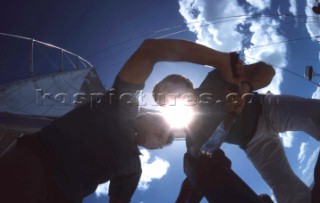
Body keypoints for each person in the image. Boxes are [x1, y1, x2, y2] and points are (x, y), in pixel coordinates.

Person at [0, 39, 241, 203]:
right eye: (161, 125)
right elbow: (150, 51)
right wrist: (220, 60)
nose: (163, 135)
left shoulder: (133, 168)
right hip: (33, 164)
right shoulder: (120, 104)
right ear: (144, 114)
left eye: (163, 141)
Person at [153, 45, 320, 203]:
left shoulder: (215, 78)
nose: (170, 98)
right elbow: (193, 171)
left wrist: (245, 89)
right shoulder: (193, 134)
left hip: (267, 107)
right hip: (253, 143)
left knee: (315, 114)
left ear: (186, 83)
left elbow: (266, 70)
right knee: (289, 193)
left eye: (168, 90)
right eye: (165, 101)